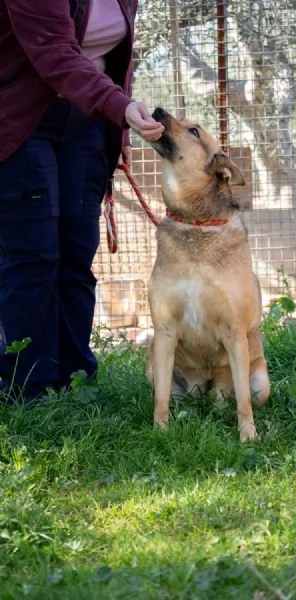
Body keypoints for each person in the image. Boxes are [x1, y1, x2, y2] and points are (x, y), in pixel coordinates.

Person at [0, 0, 164, 402]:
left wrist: (120, 130)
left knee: (76, 251)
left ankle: (75, 380)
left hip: (87, 122)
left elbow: (116, 58)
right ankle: (26, 387)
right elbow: (55, 53)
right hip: (22, 119)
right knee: (34, 255)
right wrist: (122, 109)